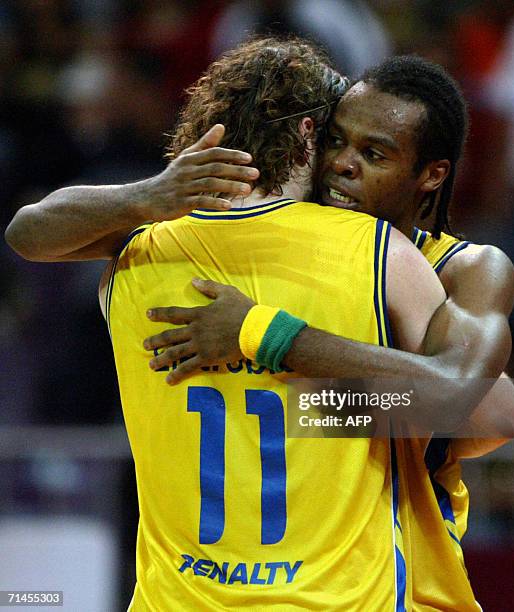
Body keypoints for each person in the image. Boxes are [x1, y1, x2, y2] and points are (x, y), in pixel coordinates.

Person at [6, 37, 455, 610]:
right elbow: (464, 407)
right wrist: (326, 409)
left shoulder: (134, 256)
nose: (345, 162)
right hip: (337, 600)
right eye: (338, 138)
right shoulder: (379, 251)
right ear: (308, 135)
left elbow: (26, 233)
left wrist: (150, 195)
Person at [140, 57, 514, 611]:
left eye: (374, 154)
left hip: (416, 583)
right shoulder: (287, 245)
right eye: (336, 141)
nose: (342, 164)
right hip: (301, 577)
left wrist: (264, 336)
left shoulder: (465, 267)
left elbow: (492, 412)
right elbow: (30, 231)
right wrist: (150, 195)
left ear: (432, 174)